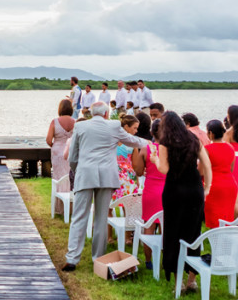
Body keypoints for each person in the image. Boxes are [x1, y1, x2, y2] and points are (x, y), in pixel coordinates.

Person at [62, 102, 142, 272]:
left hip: (85, 174)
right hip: (106, 176)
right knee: (101, 218)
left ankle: (72, 258)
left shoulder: (81, 126)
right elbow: (133, 141)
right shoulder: (114, 126)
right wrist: (154, 143)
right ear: (106, 114)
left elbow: (73, 157)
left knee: (79, 216)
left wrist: (79, 171)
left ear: (92, 113)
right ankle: (97, 257)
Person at [153, 111, 212, 290]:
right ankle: (191, 280)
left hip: (174, 191)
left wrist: (155, 159)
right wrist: (207, 188)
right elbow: (207, 165)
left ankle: (178, 279)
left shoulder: (165, 143)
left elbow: (164, 169)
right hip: (194, 189)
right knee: (193, 233)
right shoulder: (194, 140)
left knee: (174, 233)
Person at [131, 112, 165, 270]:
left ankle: (149, 261)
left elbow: (138, 172)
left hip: (151, 190)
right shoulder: (171, 149)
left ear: (152, 133)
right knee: (167, 226)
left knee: (148, 226)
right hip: (167, 190)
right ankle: (166, 259)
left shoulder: (146, 149)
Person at [203, 120, 238, 228]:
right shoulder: (230, 147)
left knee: (214, 217)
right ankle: (225, 240)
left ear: (211, 134)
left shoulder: (207, 149)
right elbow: (231, 168)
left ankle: (217, 241)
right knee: (227, 215)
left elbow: (201, 170)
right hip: (229, 183)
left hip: (214, 185)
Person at [45, 99, 75, 216]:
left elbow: (48, 139)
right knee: (70, 177)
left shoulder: (55, 121)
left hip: (58, 152)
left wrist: (55, 146)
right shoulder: (76, 122)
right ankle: (71, 207)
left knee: (58, 178)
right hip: (71, 151)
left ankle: (60, 208)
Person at [113, 115, 141, 200]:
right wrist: (137, 180)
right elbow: (135, 165)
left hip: (112, 175)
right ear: (126, 127)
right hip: (128, 176)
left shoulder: (112, 139)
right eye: (134, 128)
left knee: (109, 206)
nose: (136, 131)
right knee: (129, 204)